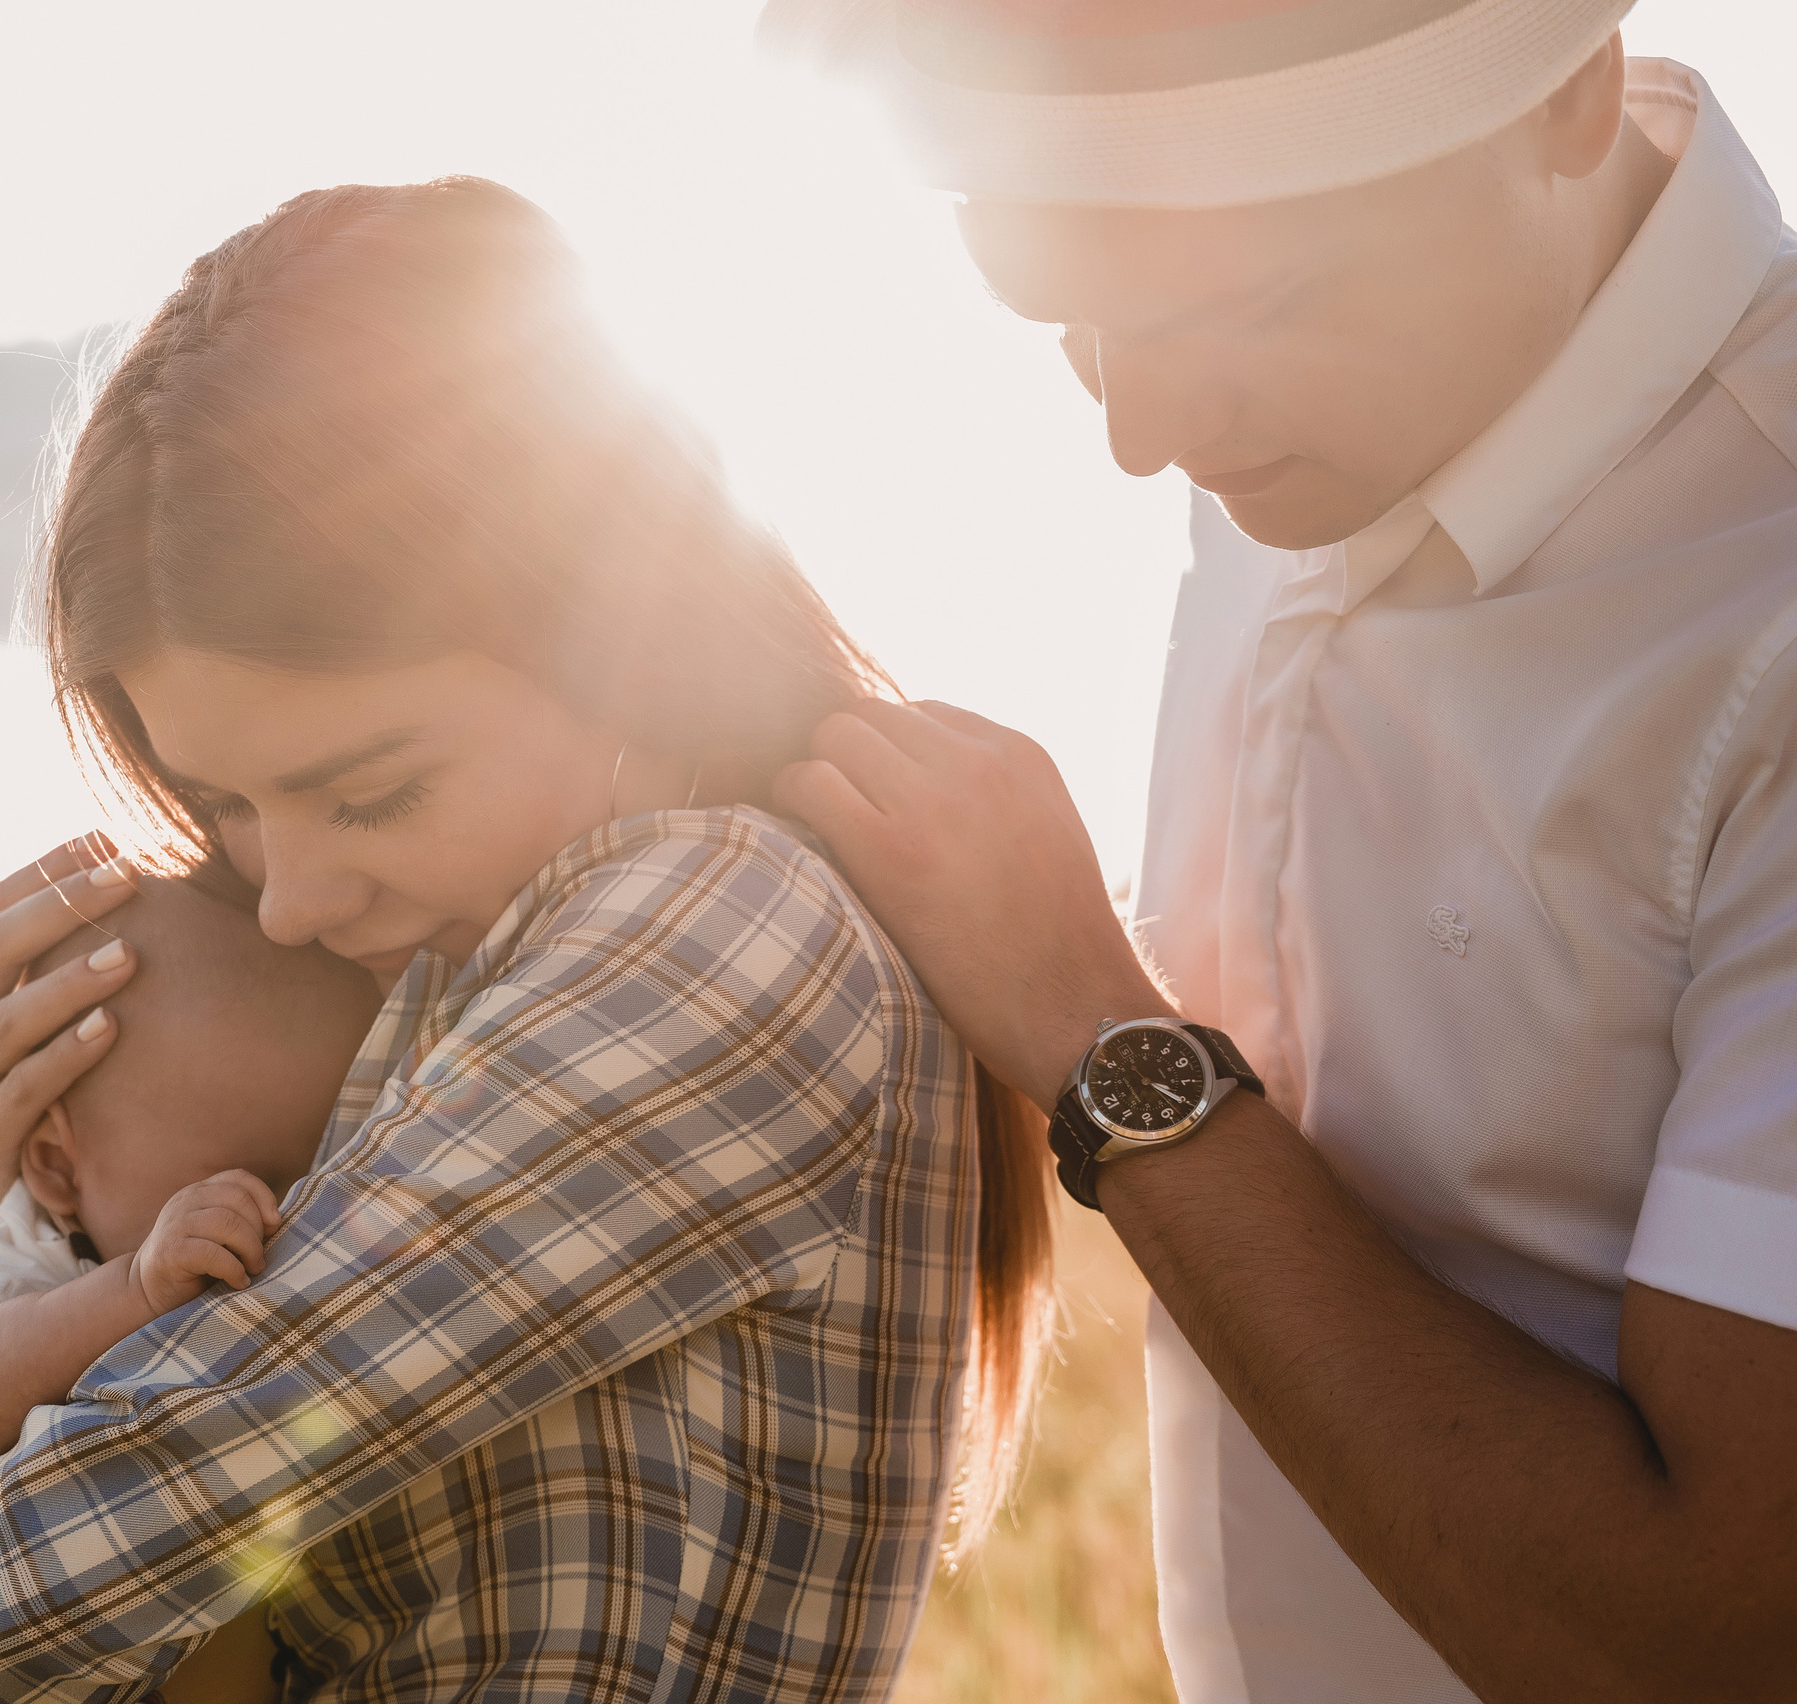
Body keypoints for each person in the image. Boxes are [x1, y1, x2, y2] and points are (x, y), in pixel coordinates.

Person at [0, 177, 1057, 1703]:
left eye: (374, 791)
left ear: (616, 631)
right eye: (223, 804)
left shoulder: (714, 929)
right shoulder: (468, 973)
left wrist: (2, 1309)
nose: (289, 901)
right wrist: (31, 1234)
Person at [764, 4, 1797, 1701]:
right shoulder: (1308, 415)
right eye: (1069, 316)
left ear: (1564, 95)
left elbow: (1711, 1640)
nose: (1144, 429)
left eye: (1255, 305)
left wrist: (1101, 1035)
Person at [0, 874, 379, 1704]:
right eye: (239, 1177)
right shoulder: (33, 1257)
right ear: (56, 1166)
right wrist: (136, 1288)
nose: (282, 1217)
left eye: (325, 1166)